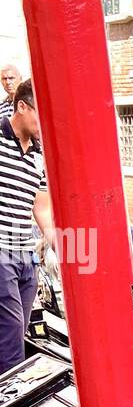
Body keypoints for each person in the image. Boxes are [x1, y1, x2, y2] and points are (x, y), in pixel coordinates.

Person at [0, 79, 54, 374]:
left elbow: (41, 206)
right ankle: (14, 403)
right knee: (11, 328)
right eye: (40, 115)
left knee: (19, 326)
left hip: (26, 254)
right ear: (22, 106)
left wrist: (56, 243)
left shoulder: (38, 154)